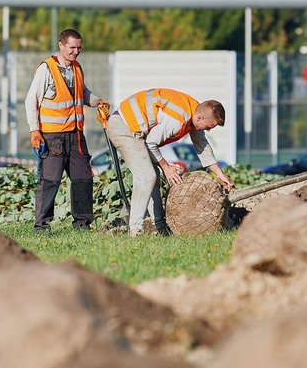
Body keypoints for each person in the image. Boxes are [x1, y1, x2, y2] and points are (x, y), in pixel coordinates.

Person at [103, 88, 233, 236]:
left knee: (153, 175)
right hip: (124, 127)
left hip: (135, 130)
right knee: (147, 177)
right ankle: (135, 230)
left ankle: (159, 227)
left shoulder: (194, 111)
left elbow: (202, 146)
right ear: (201, 118)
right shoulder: (178, 119)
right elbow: (151, 143)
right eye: (209, 127)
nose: (208, 130)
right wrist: (166, 167)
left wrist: (219, 174)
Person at [25, 28, 109, 232]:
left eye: (79, 48)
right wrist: (34, 131)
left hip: (76, 136)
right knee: (50, 181)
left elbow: (82, 92)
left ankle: (82, 224)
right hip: (52, 137)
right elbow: (31, 100)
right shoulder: (47, 69)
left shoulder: (77, 68)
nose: (76, 52)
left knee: (83, 179)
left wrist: (96, 101)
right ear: (61, 45)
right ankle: (42, 226)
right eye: (72, 47)